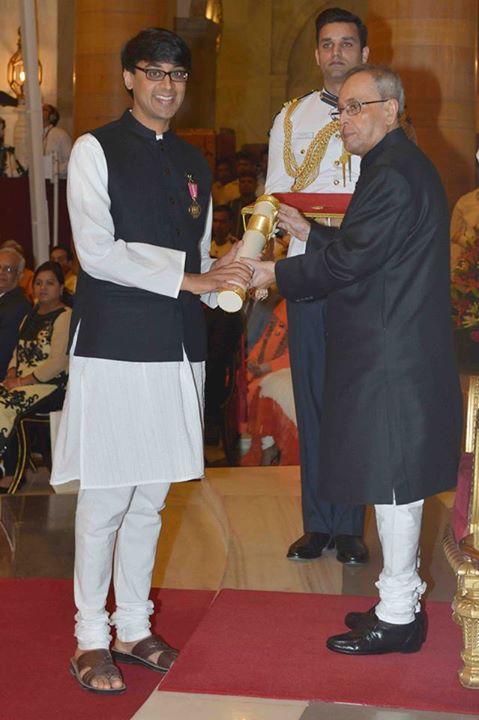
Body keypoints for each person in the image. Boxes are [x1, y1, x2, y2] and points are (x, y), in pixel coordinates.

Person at [50, 27, 251, 694]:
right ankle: (88, 637)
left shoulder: (195, 165)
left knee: (152, 496)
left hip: (177, 345)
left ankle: (133, 625)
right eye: (154, 72)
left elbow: (196, 256)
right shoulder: (93, 149)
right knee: (107, 493)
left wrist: (228, 273)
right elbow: (97, 251)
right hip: (113, 342)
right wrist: (189, 281)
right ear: (130, 78)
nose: (168, 85)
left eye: (178, 75)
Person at [247, 64, 462, 655]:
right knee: (393, 481)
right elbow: (363, 251)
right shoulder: (394, 166)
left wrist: (275, 269)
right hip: (392, 348)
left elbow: (351, 265)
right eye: (341, 108)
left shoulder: (393, 172)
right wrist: (310, 232)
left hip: (392, 354)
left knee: (394, 484)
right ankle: (399, 597)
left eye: (358, 107)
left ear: (391, 110)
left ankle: (399, 616)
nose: (345, 119)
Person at [265, 6, 369, 564]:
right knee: (311, 397)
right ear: (316, 54)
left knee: (352, 401)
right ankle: (318, 524)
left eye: (346, 44)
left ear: (363, 53)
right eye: (327, 45)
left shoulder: (381, 114)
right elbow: (274, 192)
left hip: (360, 274)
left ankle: (351, 526)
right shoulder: (291, 117)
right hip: (308, 268)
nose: (335, 53)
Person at [0, 261, 71, 490]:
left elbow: (58, 362)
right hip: (22, 382)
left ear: (61, 287)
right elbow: (16, 353)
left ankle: (10, 473)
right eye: (39, 283)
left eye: (50, 283)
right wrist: (12, 373)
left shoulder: (64, 316)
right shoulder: (30, 316)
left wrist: (20, 382)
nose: (43, 288)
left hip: (51, 386)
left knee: (6, 404)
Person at [0, 247, 31, 379]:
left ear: (20, 275)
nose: (1, 273)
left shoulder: (18, 306)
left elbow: (4, 351)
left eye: (7, 269)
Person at [42, 104, 72, 178]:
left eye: (44, 110)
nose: (40, 111)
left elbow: (71, 161)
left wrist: (55, 170)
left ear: (52, 117)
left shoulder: (60, 134)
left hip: (57, 182)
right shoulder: (35, 136)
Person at [229, 170, 258, 238]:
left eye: (250, 182)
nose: (246, 184)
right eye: (242, 182)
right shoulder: (232, 204)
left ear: (256, 185)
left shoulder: (260, 205)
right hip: (233, 242)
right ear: (239, 185)